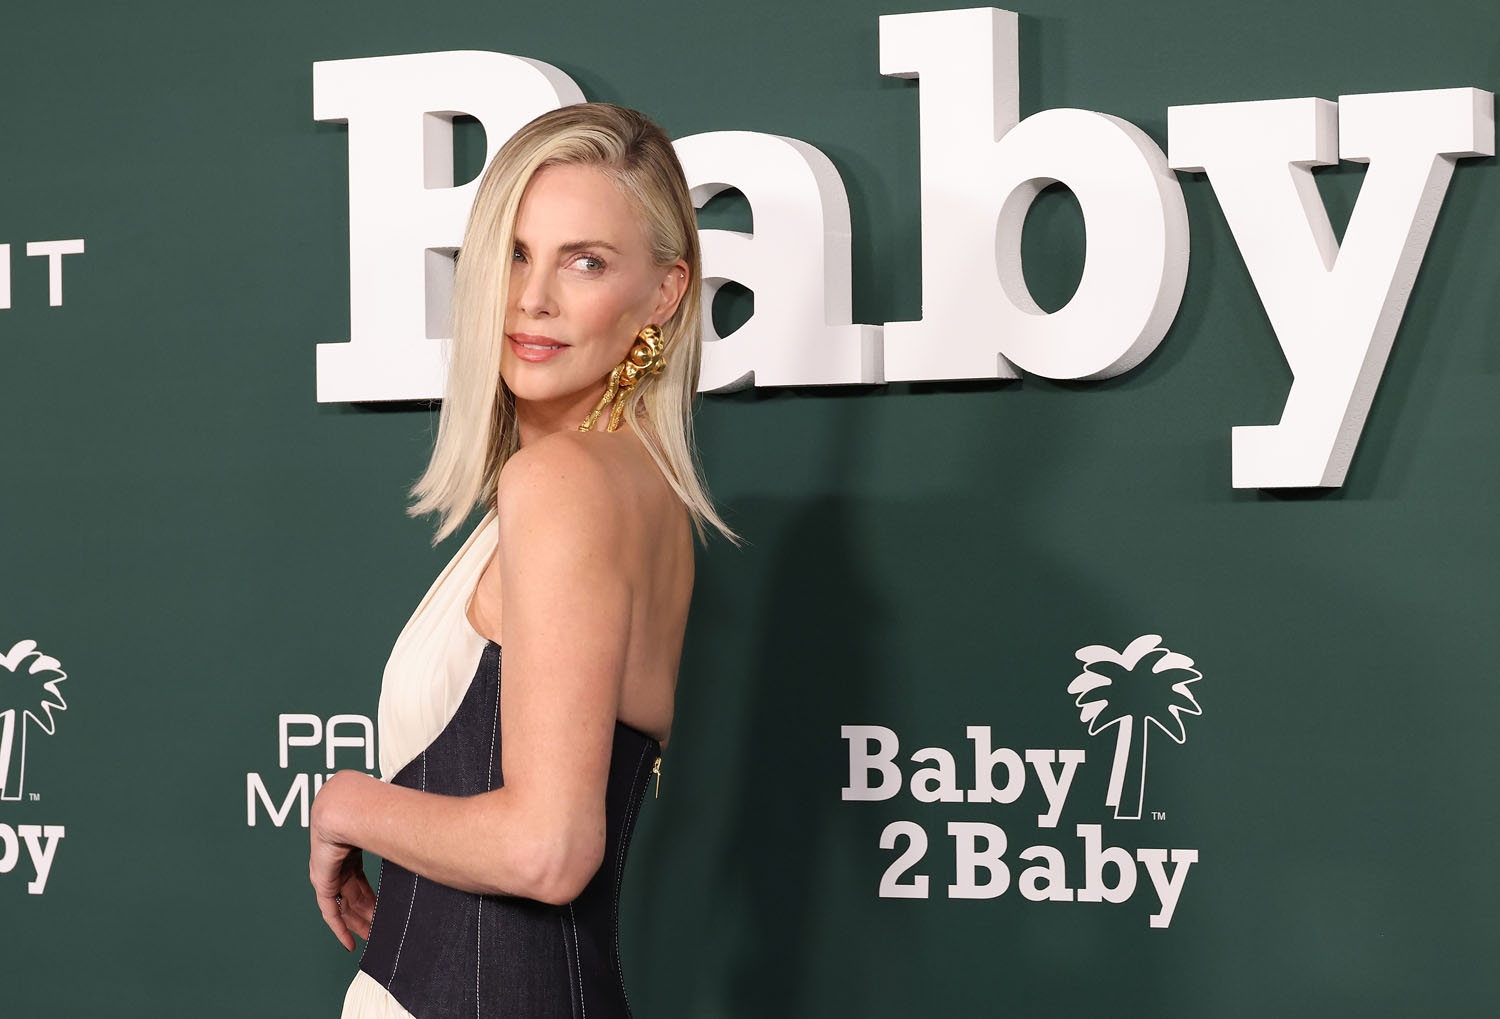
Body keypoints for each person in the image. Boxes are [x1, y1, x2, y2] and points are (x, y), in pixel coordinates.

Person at [307, 102, 736, 1019]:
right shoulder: (640, 490)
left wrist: (346, 802)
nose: (532, 298)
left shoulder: (563, 484)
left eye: (585, 261)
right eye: (514, 253)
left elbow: (549, 849)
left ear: (666, 294)